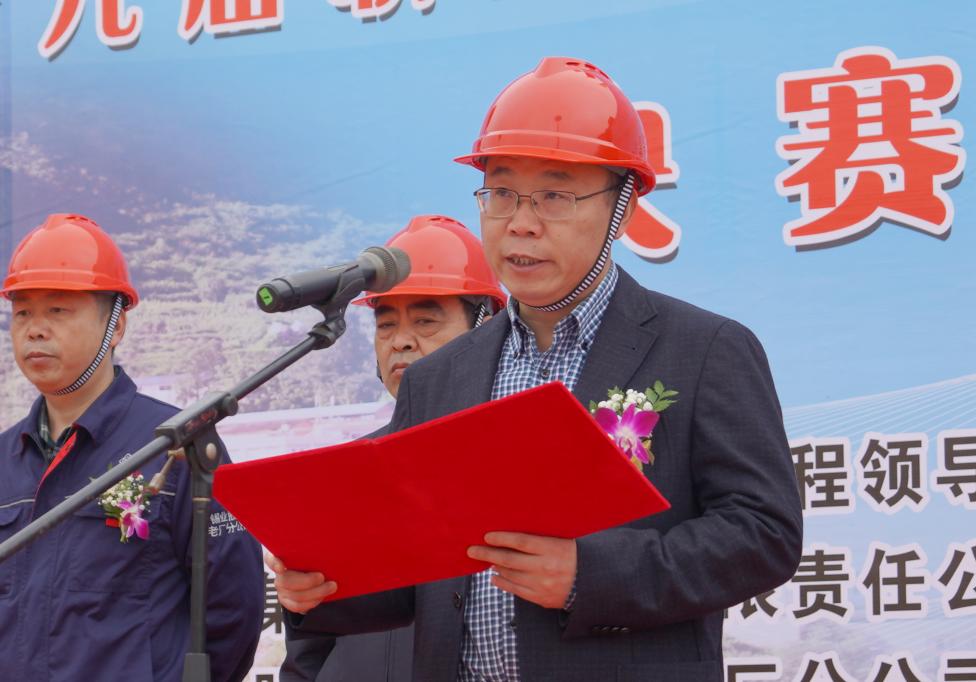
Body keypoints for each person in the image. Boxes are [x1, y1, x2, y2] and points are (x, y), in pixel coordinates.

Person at [270, 57, 803, 682]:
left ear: (623, 208)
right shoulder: (439, 378)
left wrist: (590, 575)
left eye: (555, 195)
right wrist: (322, 584)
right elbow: (420, 570)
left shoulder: (704, 349)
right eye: (501, 194)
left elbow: (763, 533)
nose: (521, 222)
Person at [0, 214, 264, 681]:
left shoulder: (177, 445)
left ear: (116, 326)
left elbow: (234, 607)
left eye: (58, 310)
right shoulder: (4, 459)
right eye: (22, 313)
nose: (35, 329)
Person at [281, 214, 506, 682]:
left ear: (487, 325)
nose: (401, 341)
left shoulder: (518, 461)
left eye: (425, 321)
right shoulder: (341, 474)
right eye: (386, 325)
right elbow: (307, 654)